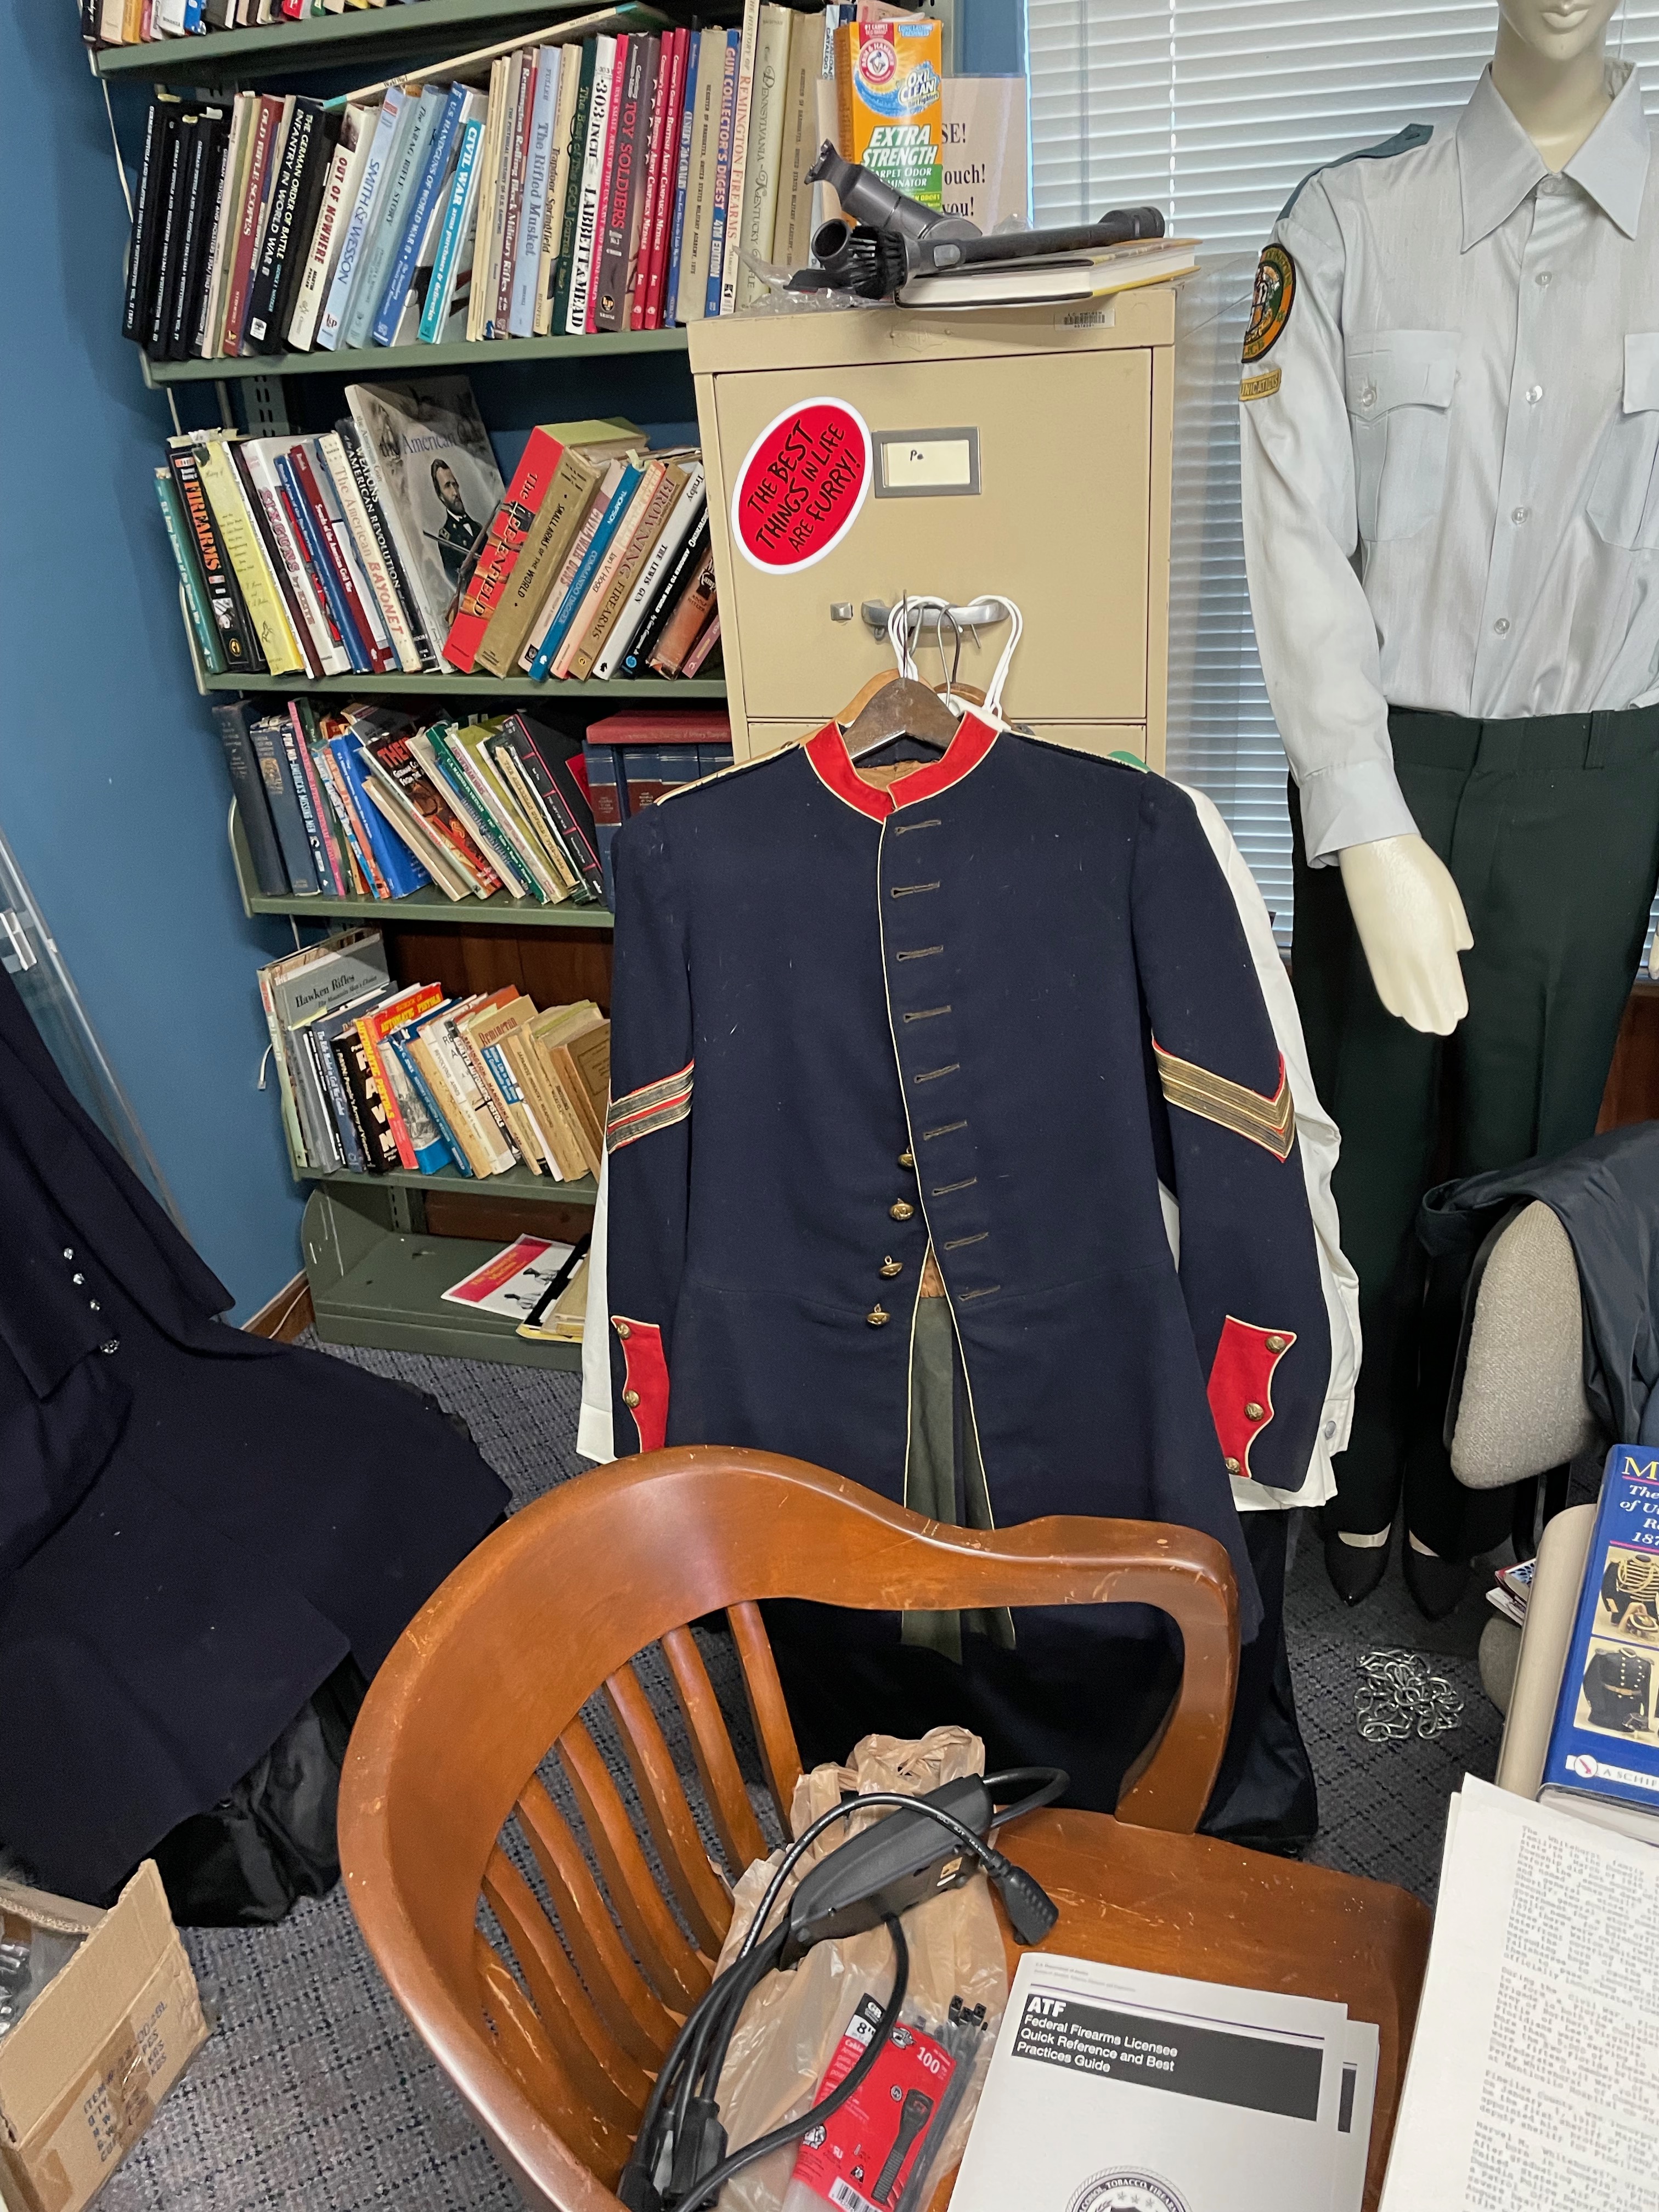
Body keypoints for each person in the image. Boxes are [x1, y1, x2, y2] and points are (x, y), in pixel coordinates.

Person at [1240, 0, 1659, 1616]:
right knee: (1360, 1147)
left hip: (1600, 766)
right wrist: (1363, 814)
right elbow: (1296, 543)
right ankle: (1351, 1472)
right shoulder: (1350, 221)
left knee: (1528, 1167)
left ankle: (1465, 1501)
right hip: (1381, 752)